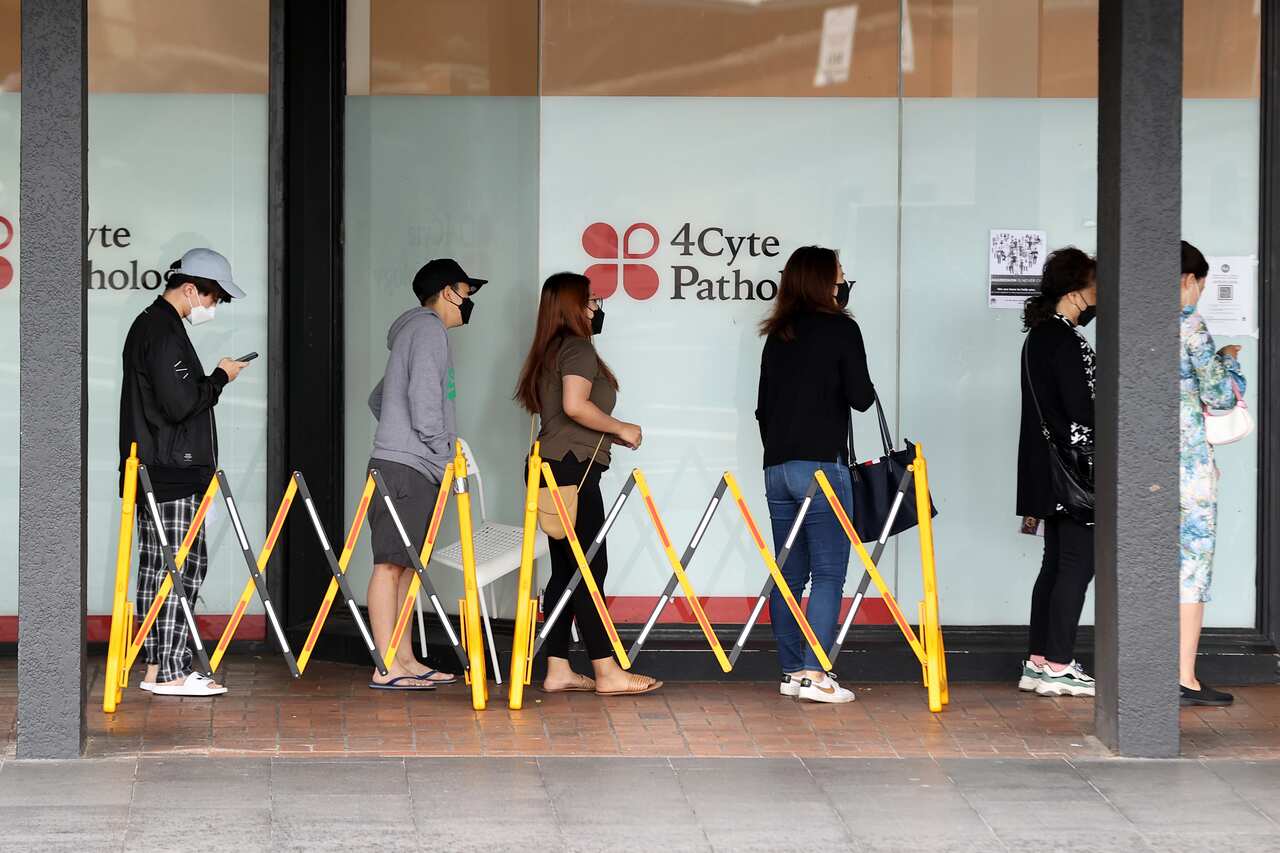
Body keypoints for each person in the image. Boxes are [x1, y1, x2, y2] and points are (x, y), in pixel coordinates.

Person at [513, 272, 662, 696]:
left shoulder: (551, 350)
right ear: (572, 306)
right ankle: (606, 670)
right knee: (589, 567)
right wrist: (622, 427)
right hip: (571, 469)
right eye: (592, 301)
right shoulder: (577, 348)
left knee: (567, 570)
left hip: (552, 466)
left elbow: (565, 412)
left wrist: (610, 434)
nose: (597, 308)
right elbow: (575, 406)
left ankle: (558, 667)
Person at [119, 248, 249, 697]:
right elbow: (179, 404)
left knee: (158, 570)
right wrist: (220, 378)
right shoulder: (162, 331)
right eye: (214, 297)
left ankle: (156, 668)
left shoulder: (152, 325)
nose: (214, 307)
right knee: (181, 570)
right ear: (191, 289)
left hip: (158, 469)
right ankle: (172, 671)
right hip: (172, 471)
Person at [755, 246, 873, 704]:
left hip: (777, 469)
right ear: (825, 282)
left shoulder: (777, 334)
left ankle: (791, 671)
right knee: (827, 574)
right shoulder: (842, 329)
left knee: (789, 575)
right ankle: (815, 673)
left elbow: (762, 409)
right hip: (823, 468)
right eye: (841, 276)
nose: (845, 283)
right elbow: (861, 397)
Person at [365, 258, 485, 690]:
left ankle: (405, 658)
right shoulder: (428, 329)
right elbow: (423, 399)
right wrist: (440, 448)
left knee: (406, 567)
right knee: (390, 565)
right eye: (466, 293)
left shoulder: (413, 333)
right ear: (448, 292)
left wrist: (404, 436)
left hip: (407, 464)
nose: (468, 302)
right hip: (407, 468)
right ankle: (386, 666)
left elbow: (380, 399)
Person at [1016, 247, 1097, 698]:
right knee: (1076, 564)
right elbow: (1081, 407)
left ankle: (1039, 661)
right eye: (1095, 284)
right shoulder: (1064, 338)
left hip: (1048, 469)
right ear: (1075, 290)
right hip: (1074, 470)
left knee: (1055, 563)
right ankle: (1060, 664)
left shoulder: (1039, 335)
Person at [1179, 240, 1245, 707]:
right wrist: (1231, 360)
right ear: (1189, 280)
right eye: (1201, 285)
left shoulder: (1133, 324)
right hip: (1190, 469)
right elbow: (1219, 396)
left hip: (1143, 463)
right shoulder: (1190, 324)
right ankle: (1184, 676)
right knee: (1192, 569)